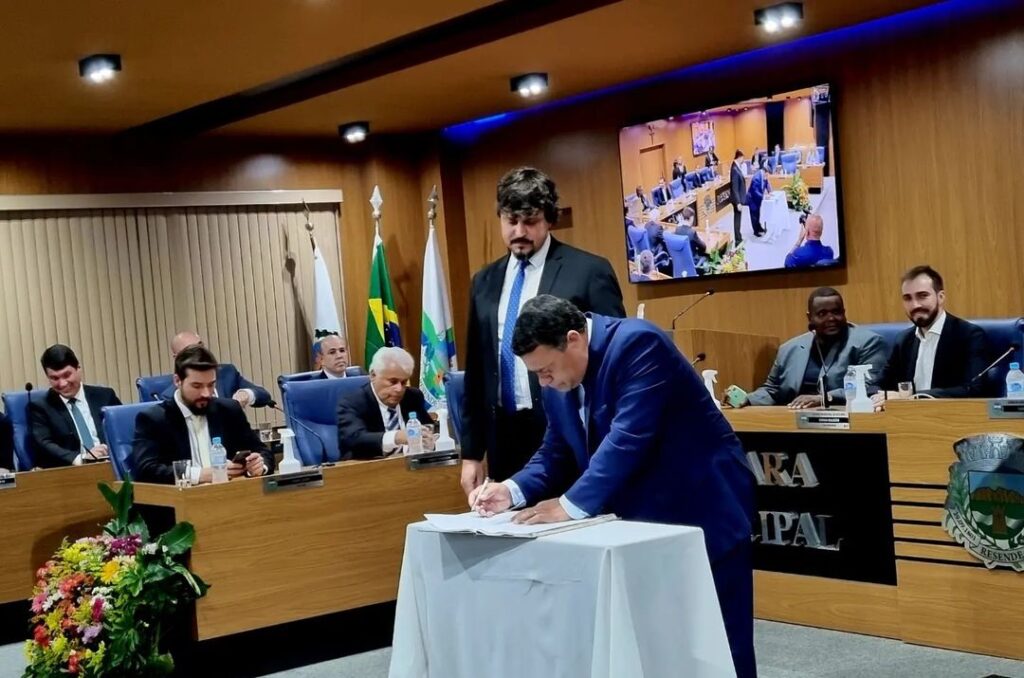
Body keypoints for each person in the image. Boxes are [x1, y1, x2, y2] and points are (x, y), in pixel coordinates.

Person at [472, 295, 755, 677]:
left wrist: (568, 506)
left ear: (574, 339)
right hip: (638, 525)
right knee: (656, 647)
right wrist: (511, 490)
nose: (544, 382)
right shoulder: (560, 376)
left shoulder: (637, 343)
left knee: (718, 645)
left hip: (701, 508)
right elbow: (556, 450)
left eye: (546, 370)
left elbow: (629, 437)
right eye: (536, 374)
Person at [462, 167, 625, 495]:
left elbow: (612, 357)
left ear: (549, 220)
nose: (519, 231)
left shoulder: (588, 271)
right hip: (504, 434)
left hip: (569, 428)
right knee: (513, 516)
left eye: (531, 221)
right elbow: (477, 370)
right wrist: (472, 452)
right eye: (511, 221)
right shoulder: (484, 281)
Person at [133, 345, 274, 485]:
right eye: (197, 386)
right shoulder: (154, 419)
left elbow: (262, 451)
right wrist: (199, 475)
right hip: (184, 497)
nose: (206, 393)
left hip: (230, 493)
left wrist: (259, 466)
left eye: (211, 385)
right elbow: (145, 471)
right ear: (177, 381)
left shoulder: (229, 410)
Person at [742, 287, 888, 408]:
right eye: (822, 314)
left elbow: (870, 387)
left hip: (844, 419)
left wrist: (824, 398)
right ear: (810, 317)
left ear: (844, 313)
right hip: (792, 419)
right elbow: (772, 390)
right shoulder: (789, 349)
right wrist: (746, 399)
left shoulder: (868, 342)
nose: (831, 318)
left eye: (836, 312)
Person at [877, 266, 991, 399]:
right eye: (907, 298)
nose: (915, 305)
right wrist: (879, 396)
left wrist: (912, 397)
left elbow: (973, 389)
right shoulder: (903, 340)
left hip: (950, 412)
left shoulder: (969, 335)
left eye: (922, 296)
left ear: (940, 297)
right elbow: (878, 384)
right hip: (906, 412)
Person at [29, 344, 121, 468]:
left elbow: (123, 432)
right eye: (54, 378)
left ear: (78, 369)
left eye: (67, 375)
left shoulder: (105, 396)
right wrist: (81, 459)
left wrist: (107, 449)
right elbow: (44, 444)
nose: (62, 383)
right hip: (72, 470)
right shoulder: (40, 407)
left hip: (111, 465)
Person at [337, 347, 435, 460]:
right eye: (393, 382)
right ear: (373, 375)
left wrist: (430, 439)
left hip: (412, 465)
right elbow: (355, 439)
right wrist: (397, 437)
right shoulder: (352, 403)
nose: (399, 389)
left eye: (403, 382)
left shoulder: (412, 397)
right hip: (370, 467)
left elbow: (428, 428)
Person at [159, 331, 272, 407]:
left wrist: (246, 394)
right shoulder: (169, 396)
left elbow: (264, 395)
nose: (200, 353)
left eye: (200, 346)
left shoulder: (227, 373)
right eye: (191, 350)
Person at [729, 150, 748, 246]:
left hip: (738, 198)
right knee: (737, 219)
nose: (743, 160)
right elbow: (735, 187)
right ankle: (737, 239)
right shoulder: (735, 169)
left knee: (738, 218)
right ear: (739, 157)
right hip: (737, 200)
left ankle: (739, 237)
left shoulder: (736, 167)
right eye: (743, 158)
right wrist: (738, 202)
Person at [746, 167, 771, 238]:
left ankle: (759, 227)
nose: (767, 176)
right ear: (764, 172)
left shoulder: (763, 175)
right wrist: (764, 196)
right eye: (767, 175)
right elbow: (755, 191)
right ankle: (755, 231)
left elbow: (766, 183)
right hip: (752, 199)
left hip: (758, 199)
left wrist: (770, 191)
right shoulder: (756, 178)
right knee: (754, 215)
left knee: (758, 214)